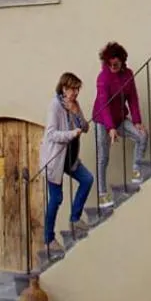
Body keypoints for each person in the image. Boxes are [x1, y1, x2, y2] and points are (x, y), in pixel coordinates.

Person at [38, 72, 95, 251]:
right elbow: (51, 134)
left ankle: (75, 219)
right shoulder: (55, 106)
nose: (76, 93)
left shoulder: (74, 104)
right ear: (64, 88)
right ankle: (49, 239)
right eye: (73, 89)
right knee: (56, 198)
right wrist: (71, 134)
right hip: (55, 159)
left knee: (87, 180)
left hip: (69, 158)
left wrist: (77, 113)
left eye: (78, 89)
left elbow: (84, 127)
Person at [93, 41, 148, 203]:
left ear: (122, 61)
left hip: (120, 118)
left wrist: (137, 121)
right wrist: (110, 128)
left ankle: (137, 169)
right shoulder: (103, 77)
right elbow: (103, 104)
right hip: (102, 120)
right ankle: (102, 194)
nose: (112, 67)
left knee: (142, 136)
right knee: (103, 157)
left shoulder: (128, 75)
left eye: (115, 64)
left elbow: (133, 99)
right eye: (109, 64)